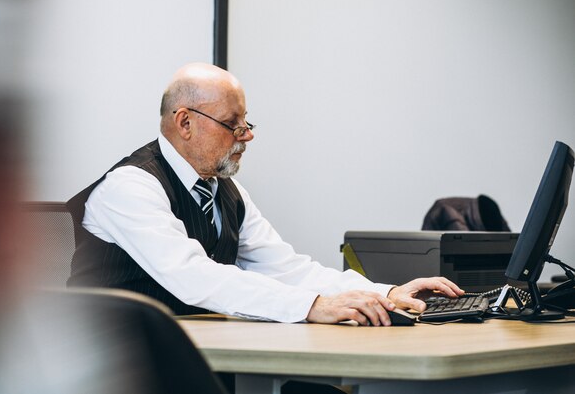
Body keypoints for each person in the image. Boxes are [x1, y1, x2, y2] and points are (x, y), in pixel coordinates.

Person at [67, 62, 464, 328]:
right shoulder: (130, 187)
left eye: (246, 122)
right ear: (184, 122)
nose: (247, 135)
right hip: (120, 365)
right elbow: (194, 277)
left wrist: (385, 294)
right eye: (232, 124)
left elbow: (286, 268)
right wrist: (311, 307)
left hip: (198, 352)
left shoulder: (228, 191)